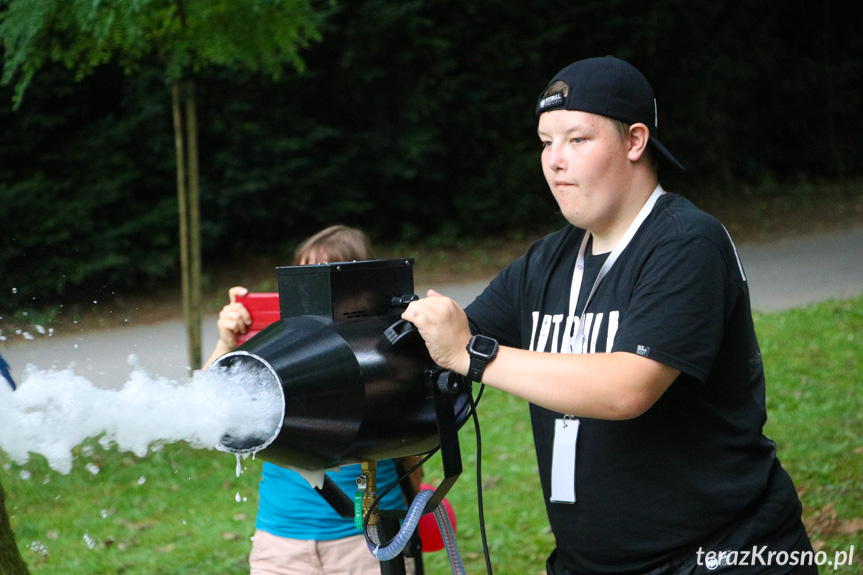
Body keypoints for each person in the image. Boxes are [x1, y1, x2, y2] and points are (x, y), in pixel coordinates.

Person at [402, 56, 815, 575]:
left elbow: (627, 388)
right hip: (590, 563)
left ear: (635, 141)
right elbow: (439, 349)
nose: (555, 160)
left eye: (577, 139)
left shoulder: (686, 243)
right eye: (546, 142)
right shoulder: (546, 260)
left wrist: (474, 354)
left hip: (722, 554)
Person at [205, 225, 420, 575]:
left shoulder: (387, 345)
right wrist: (228, 345)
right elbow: (206, 411)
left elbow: (411, 447)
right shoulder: (276, 343)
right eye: (305, 277)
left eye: (327, 278)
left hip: (367, 539)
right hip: (281, 539)